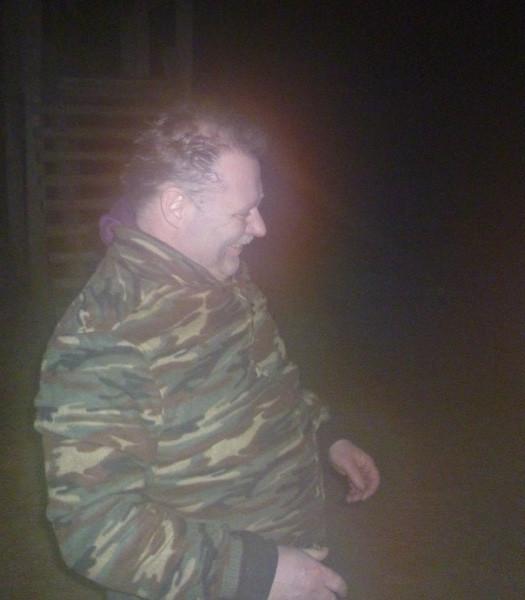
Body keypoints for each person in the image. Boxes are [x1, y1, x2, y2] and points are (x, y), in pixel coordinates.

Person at [34, 103, 380, 600]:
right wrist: (258, 573)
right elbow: (94, 529)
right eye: (242, 212)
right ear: (177, 206)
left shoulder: (219, 275)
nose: (260, 227)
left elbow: (266, 382)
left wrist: (326, 436)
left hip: (292, 556)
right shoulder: (108, 333)